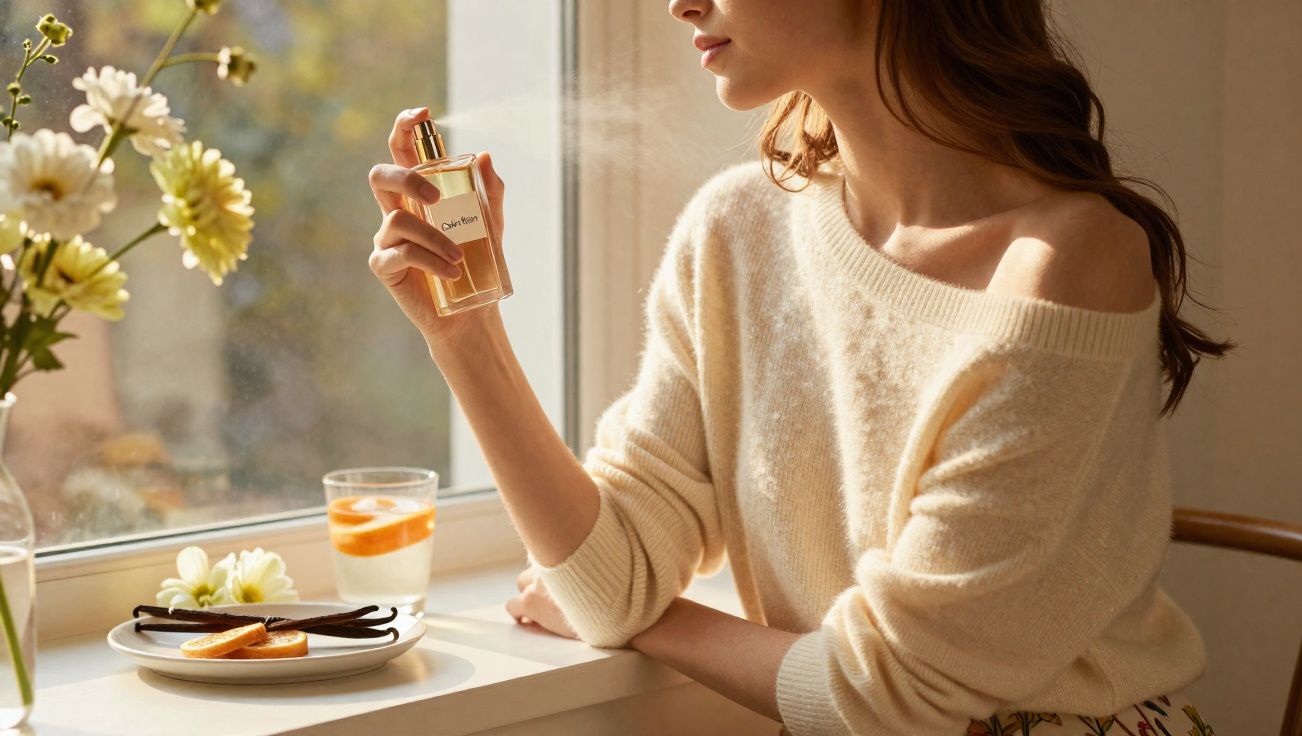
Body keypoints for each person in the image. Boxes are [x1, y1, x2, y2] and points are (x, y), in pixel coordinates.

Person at [365, 1, 1231, 733]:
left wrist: (657, 623)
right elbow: (608, 583)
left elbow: (893, 691)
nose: (681, 3)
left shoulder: (1069, 259)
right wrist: (466, 339)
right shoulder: (736, 232)